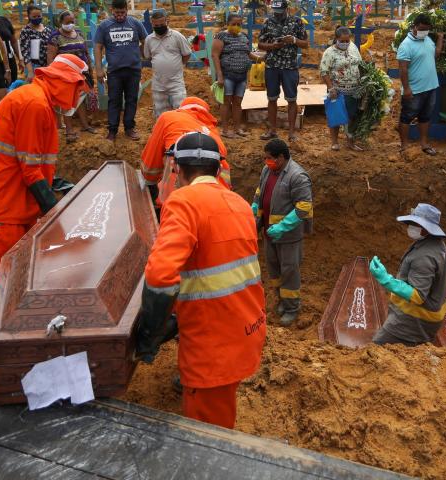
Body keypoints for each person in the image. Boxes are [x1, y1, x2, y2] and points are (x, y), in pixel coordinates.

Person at [134, 131, 265, 430]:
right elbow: (217, 268)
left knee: (208, 435)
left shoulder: (183, 202)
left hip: (212, 347)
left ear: (177, 169)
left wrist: (150, 335)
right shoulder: (241, 205)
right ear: (218, 169)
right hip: (246, 328)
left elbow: (159, 276)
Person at [0, 54, 90, 286]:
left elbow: (34, 163)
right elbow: (30, 170)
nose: (77, 99)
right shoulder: (35, 104)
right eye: (79, 91)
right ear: (66, 82)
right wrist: (56, 217)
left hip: (7, 202)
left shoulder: (34, 99)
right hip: (1, 208)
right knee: (11, 285)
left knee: (17, 278)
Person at [251, 139, 312, 326]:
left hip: (288, 236)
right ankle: (282, 301)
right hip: (270, 233)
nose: (266, 161)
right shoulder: (267, 171)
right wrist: (254, 208)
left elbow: (303, 207)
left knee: (289, 270)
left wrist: (283, 226)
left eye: (269, 158)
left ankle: (292, 307)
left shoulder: (297, 176)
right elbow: (260, 192)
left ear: (281, 157)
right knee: (274, 269)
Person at [370, 203, 446, 346]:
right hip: (428, 316)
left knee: (376, 350)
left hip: (413, 320)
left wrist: (385, 279)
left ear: (427, 229)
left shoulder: (424, 257)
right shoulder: (436, 244)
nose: (411, 227)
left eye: (416, 224)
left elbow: (417, 296)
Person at [141, 97, 232, 210]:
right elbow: (225, 176)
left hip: (177, 201)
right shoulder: (213, 133)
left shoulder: (168, 118)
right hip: (221, 202)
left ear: (182, 109)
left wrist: (150, 184)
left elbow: (150, 165)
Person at [94, 0, 148, 141]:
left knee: (131, 99)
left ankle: (129, 128)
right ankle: (112, 130)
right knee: (114, 100)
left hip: (134, 69)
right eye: (117, 13)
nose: (120, 16)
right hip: (114, 71)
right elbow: (98, 47)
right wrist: (99, 69)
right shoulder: (104, 26)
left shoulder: (135, 23)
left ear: (127, 10)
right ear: (112, 10)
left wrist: (144, 55)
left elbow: (146, 40)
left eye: (122, 12)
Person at [257, 0, 307, 142]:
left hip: (289, 66)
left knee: (292, 100)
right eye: (275, 12)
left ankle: (291, 133)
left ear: (287, 9)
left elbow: (306, 44)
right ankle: (272, 130)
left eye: (280, 12)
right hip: (272, 65)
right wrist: (273, 46)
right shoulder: (268, 22)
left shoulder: (297, 22)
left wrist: (294, 40)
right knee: (272, 99)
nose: (277, 15)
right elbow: (260, 44)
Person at [396, 14, 444, 156]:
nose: (424, 32)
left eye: (427, 29)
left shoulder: (427, 39)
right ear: (414, 27)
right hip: (414, 90)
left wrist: (440, 39)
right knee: (406, 117)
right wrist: (407, 89)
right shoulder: (406, 45)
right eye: (422, 29)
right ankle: (404, 145)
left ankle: (424, 143)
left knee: (425, 117)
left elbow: (435, 55)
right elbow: (402, 69)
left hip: (431, 87)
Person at [48, 10, 96, 142]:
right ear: (60, 22)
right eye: (67, 22)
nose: (70, 24)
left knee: (80, 101)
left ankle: (85, 126)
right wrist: (55, 75)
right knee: (66, 102)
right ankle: (69, 130)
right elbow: (51, 59)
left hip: (81, 74)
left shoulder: (79, 34)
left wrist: (90, 70)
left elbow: (86, 53)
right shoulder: (55, 38)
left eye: (72, 21)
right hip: (65, 75)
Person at [212, 10, 259, 138]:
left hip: (242, 76)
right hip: (227, 75)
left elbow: (247, 53)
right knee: (226, 102)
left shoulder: (244, 36)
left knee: (238, 102)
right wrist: (219, 75)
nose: (237, 26)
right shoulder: (221, 36)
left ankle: (237, 129)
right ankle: (225, 130)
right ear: (228, 24)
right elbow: (215, 55)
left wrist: (259, 58)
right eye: (234, 24)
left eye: (239, 24)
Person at [320, 26, 364, 151]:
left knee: (352, 116)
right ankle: (334, 142)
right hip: (337, 90)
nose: (345, 43)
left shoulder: (353, 48)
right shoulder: (329, 52)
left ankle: (350, 142)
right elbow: (324, 71)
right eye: (342, 41)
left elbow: (360, 64)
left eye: (347, 41)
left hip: (354, 89)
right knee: (336, 116)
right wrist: (331, 88)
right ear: (336, 39)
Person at [143, 9, 191, 117]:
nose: (159, 27)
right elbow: (148, 56)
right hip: (158, 83)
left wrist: (178, 65)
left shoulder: (177, 36)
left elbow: (187, 54)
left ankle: (180, 133)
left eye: (162, 24)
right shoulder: (149, 40)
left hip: (176, 82)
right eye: (156, 25)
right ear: (152, 23)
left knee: (181, 111)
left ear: (167, 21)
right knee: (160, 114)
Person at [19, 5, 54, 79]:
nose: (37, 18)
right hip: (34, 67)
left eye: (39, 16)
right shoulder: (26, 31)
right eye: (34, 17)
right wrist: (30, 71)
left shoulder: (48, 29)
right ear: (29, 17)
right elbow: (25, 53)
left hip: (48, 66)